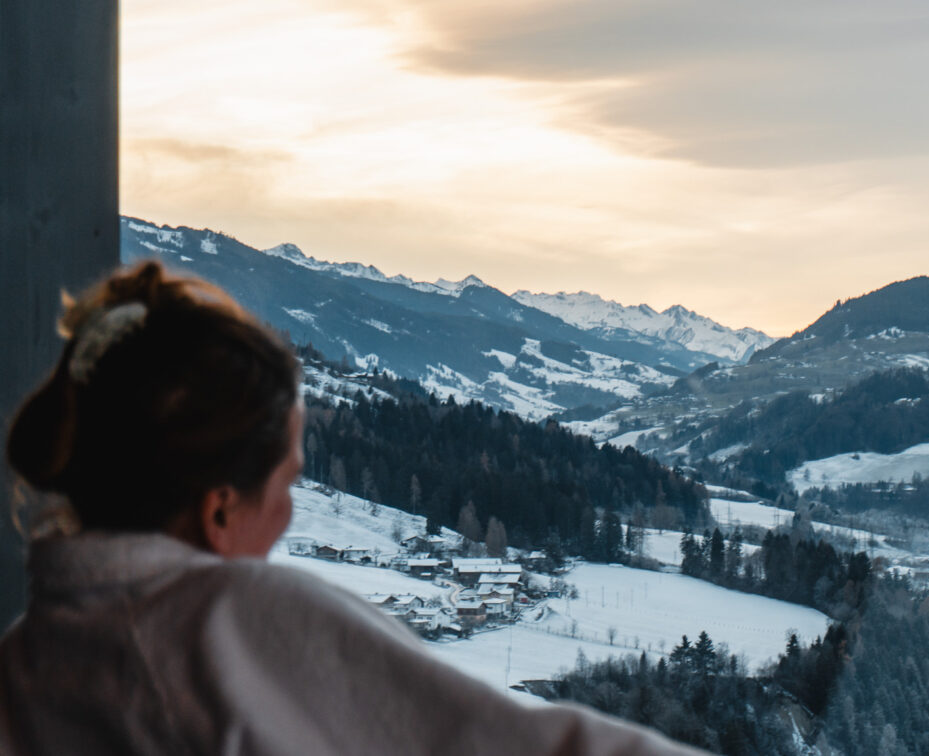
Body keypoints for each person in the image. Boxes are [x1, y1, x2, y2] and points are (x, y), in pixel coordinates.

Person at [0, 262, 705, 755]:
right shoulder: (222, 618)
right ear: (219, 509)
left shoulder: (28, 659)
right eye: (289, 484)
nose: (289, 519)